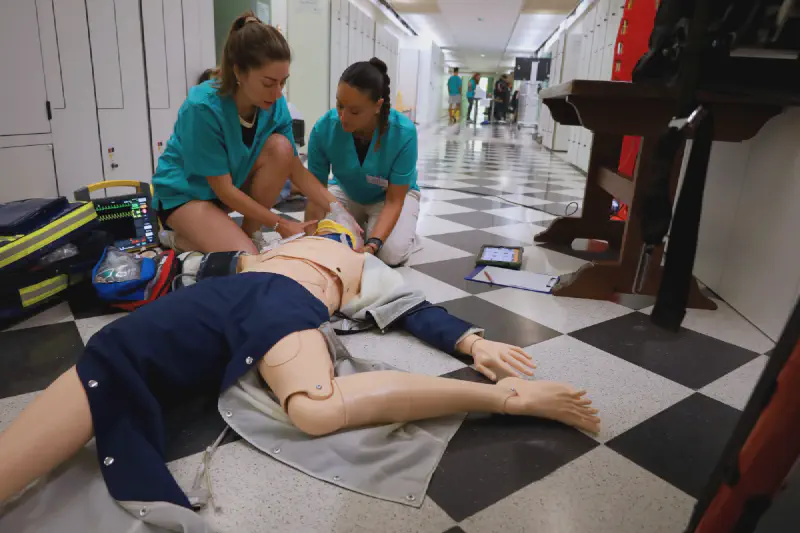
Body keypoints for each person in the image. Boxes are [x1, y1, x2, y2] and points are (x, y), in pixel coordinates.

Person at [0, 213, 601, 520]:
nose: (331, 229)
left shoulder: (362, 265)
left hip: (281, 305)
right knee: (112, 354)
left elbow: (418, 311)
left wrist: (474, 346)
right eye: (328, 224)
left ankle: (506, 400)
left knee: (313, 409)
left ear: (355, 241)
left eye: (342, 230)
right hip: (234, 296)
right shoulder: (274, 249)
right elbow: (193, 269)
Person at [151, 12, 352, 254]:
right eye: (268, 83)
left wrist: (338, 209)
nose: (278, 93)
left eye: (283, 82)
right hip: (184, 195)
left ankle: (249, 234)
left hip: (224, 194)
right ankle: (175, 238)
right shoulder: (202, 107)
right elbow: (222, 188)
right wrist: (281, 223)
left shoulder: (274, 105)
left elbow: (295, 169)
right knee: (243, 257)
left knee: (282, 149)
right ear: (238, 73)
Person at [305, 58, 421, 266]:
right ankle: (364, 225)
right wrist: (311, 239)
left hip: (390, 197)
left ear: (377, 106)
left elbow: (395, 200)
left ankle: (405, 232)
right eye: (340, 105)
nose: (343, 117)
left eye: (355, 111)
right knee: (330, 243)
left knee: (390, 255)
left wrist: (374, 243)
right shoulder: (324, 128)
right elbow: (316, 192)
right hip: (346, 193)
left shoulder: (404, 133)